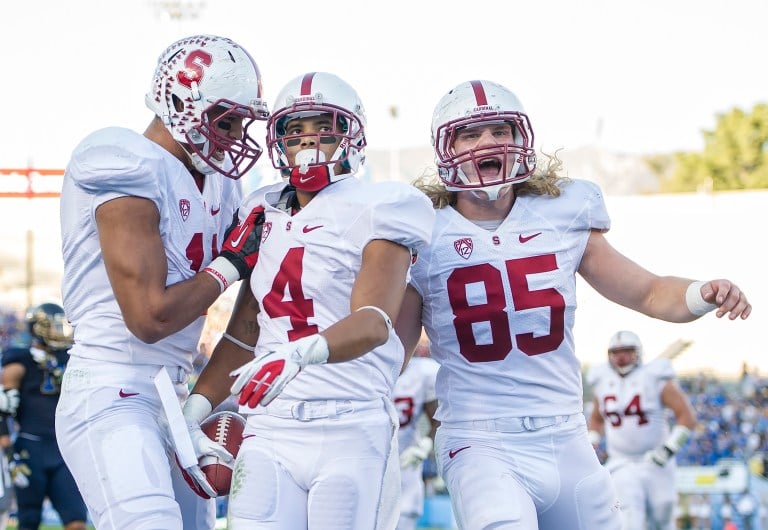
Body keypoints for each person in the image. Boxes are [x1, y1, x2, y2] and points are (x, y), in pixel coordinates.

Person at [392, 79, 752, 530]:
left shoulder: (561, 212)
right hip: (478, 440)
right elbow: (394, 352)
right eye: (471, 133)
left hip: (566, 436)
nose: (488, 142)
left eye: (501, 129)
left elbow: (649, 292)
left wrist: (704, 292)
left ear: (521, 139)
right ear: (446, 147)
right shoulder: (421, 229)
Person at [183, 71, 435, 529]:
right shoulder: (262, 208)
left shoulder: (381, 204)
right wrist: (194, 411)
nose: (307, 139)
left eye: (322, 126)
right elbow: (243, 335)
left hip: (349, 423)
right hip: (270, 425)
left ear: (351, 135)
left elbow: (374, 320)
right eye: (293, 130)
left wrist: (299, 355)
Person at [56, 34, 270, 530]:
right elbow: (149, 319)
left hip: (175, 396)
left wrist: (201, 402)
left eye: (241, 121)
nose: (236, 134)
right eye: (226, 120)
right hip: (111, 389)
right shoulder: (122, 158)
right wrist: (230, 265)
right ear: (179, 102)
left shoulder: (223, 182)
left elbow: (250, 314)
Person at [586, 330, 697, 530]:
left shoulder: (655, 377)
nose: (621, 356)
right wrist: (592, 440)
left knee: (663, 516)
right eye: (617, 351)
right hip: (621, 461)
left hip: (655, 460)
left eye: (627, 351)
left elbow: (687, 417)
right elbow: (596, 419)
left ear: (637, 353)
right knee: (629, 518)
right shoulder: (602, 381)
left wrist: (669, 448)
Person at [0, 303, 88, 530]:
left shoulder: (71, 358)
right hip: (30, 448)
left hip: (64, 449)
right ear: (36, 328)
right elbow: (4, 407)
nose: (59, 331)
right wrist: (5, 439)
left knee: (77, 520)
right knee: (28, 521)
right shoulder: (19, 362)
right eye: (53, 326)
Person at [393, 342, 440, 530]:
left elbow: (439, 419)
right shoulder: (361, 368)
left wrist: (426, 444)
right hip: (364, 467)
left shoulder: (422, 372)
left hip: (404, 471)